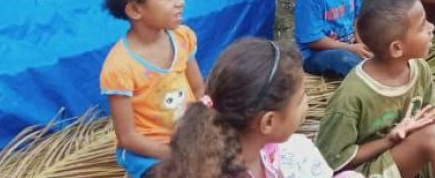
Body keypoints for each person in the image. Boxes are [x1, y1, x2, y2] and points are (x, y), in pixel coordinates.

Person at [315, 0, 435, 178]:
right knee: (433, 137)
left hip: (412, 159)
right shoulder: (352, 95)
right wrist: (389, 141)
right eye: (422, 26)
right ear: (396, 48)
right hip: (368, 171)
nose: (432, 27)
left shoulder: (420, 69)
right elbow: (332, 160)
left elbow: (429, 119)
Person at [154, 38, 362, 178]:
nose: (305, 103)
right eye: (300, 100)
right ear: (268, 122)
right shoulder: (296, 154)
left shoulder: (194, 160)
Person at [100, 0, 206, 178]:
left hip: (188, 137)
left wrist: (199, 131)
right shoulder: (119, 66)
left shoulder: (182, 37)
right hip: (149, 155)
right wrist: (174, 153)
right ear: (135, 10)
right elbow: (128, 137)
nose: (181, 2)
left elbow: (198, 89)